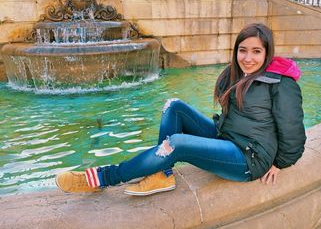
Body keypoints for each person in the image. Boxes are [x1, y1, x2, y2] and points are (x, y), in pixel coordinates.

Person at [56, 23, 306, 195]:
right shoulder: (236, 74)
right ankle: (162, 174)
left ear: (267, 53)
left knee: (177, 143)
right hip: (227, 138)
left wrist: (280, 164)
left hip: (249, 159)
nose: (247, 58)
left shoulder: (281, 84)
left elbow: (293, 131)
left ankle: (102, 178)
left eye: (256, 52)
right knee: (173, 106)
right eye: (243, 51)